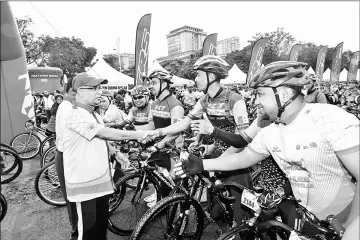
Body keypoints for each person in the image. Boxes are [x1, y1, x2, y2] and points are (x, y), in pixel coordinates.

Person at [175, 61, 359, 239]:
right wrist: (202, 164)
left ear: (284, 94)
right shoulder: (270, 130)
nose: (256, 101)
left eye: (261, 94)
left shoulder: (330, 119)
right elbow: (244, 157)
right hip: (308, 219)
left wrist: (351, 229)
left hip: (346, 221)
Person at [144, 55, 253, 235]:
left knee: (242, 214)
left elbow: (243, 139)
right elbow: (185, 123)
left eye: (199, 75)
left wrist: (219, 162)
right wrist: (158, 132)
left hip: (235, 159)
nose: (195, 79)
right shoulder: (204, 100)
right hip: (214, 154)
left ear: (212, 76)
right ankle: (226, 233)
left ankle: (239, 230)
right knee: (214, 207)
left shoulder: (235, 99)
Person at [60, 72, 146, 240]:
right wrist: (138, 135)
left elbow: (99, 138)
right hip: (84, 187)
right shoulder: (73, 112)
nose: (100, 92)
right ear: (80, 92)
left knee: (100, 229)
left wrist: (116, 152)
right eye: (94, 88)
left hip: (99, 183)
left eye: (100, 88)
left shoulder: (94, 113)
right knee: (87, 232)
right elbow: (105, 133)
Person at [142, 69, 185, 208]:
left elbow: (176, 132)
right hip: (160, 144)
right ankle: (158, 192)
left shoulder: (175, 104)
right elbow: (151, 124)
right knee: (158, 172)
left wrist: (158, 145)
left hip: (172, 147)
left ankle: (165, 200)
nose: (151, 86)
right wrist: (138, 133)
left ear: (165, 84)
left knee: (169, 177)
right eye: (150, 83)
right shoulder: (154, 104)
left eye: (154, 83)